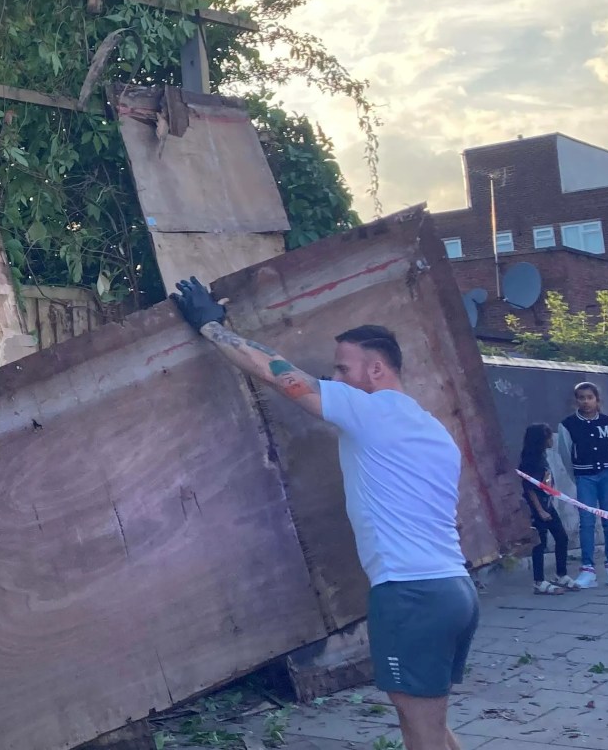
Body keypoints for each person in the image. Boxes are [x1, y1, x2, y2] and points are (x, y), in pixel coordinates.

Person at [170, 279, 477, 750]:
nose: (333, 379)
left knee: (421, 734)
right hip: (454, 591)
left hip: (410, 596)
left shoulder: (372, 412)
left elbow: (278, 375)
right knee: (430, 725)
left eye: (341, 369)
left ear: (376, 370)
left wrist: (212, 327)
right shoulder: (430, 428)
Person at [556, 381, 608, 588]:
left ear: (597, 400)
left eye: (589, 397)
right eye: (581, 398)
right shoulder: (568, 425)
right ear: (576, 400)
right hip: (585, 477)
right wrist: (577, 475)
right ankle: (588, 569)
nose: (586, 402)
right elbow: (565, 453)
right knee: (587, 521)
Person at [519, 424, 576, 595]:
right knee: (539, 544)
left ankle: (561, 574)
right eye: (549, 437)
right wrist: (540, 511)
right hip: (538, 509)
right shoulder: (531, 461)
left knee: (562, 538)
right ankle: (539, 581)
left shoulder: (542, 457)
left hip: (548, 506)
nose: (552, 440)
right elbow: (529, 488)